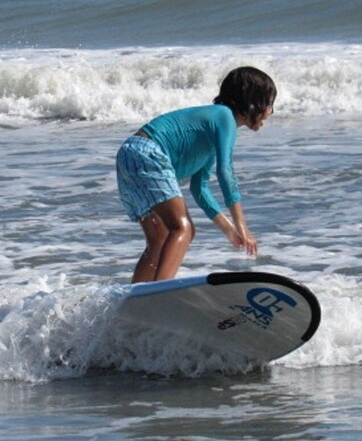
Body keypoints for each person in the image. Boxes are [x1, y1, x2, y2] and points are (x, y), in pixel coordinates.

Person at [116, 66, 276, 283]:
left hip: (129, 154)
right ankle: (159, 292)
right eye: (268, 104)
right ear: (251, 102)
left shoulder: (211, 128)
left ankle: (135, 298)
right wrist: (241, 224)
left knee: (159, 239)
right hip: (149, 152)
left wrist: (229, 230)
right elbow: (225, 170)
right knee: (183, 228)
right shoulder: (225, 117)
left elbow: (199, 188)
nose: (270, 111)